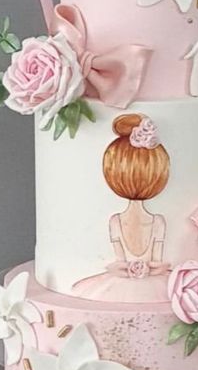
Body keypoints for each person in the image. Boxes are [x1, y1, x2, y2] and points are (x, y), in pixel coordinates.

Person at [72, 113, 171, 301]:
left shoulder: (115, 221)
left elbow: (121, 261)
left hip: (119, 286)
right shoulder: (158, 222)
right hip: (155, 288)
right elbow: (156, 262)